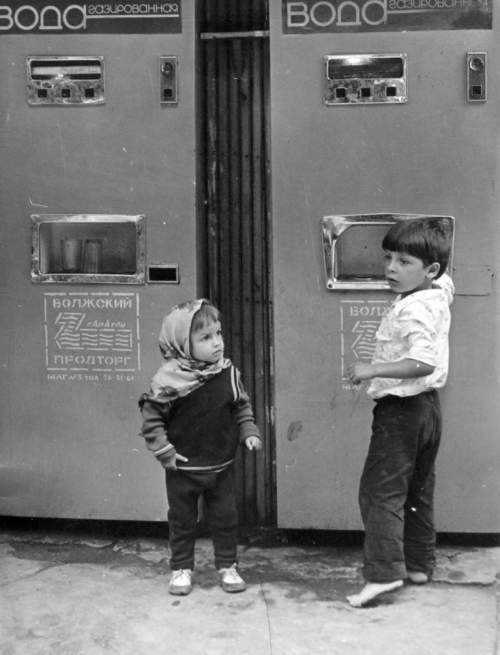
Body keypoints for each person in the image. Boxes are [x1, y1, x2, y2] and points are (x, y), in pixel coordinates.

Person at [346, 217, 454, 608]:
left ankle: (383, 573)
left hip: (401, 410)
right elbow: (446, 277)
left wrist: (371, 369)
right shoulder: (438, 291)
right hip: (428, 410)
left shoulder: (412, 311)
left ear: (430, 269)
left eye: (404, 262)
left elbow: (423, 362)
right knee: (417, 490)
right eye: (388, 258)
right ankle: (419, 564)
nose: (391, 268)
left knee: (380, 492)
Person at [139, 299, 262, 596]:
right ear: (182, 343)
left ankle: (227, 565)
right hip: (183, 468)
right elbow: (152, 421)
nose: (217, 343)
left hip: (220, 466)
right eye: (205, 338)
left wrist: (248, 431)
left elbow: (241, 407)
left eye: (218, 334)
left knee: (225, 519)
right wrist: (165, 451)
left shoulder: (227, 374)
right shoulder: (167, 382)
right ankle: (181, 568)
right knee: (182, 520)